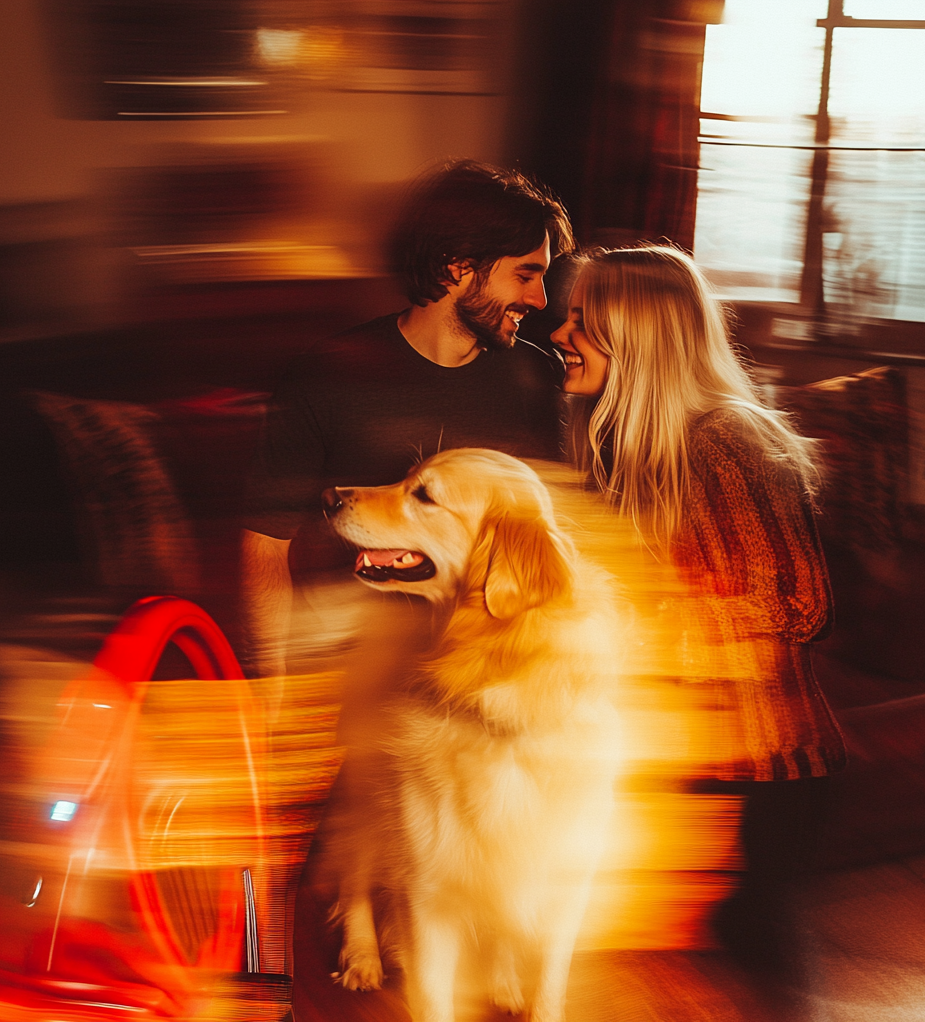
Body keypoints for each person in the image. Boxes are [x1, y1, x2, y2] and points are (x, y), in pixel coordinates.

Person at [550, 244, 845, 1006]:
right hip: (688, 752)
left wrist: (629, 623)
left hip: (765, 771)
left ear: (637, 334)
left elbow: (796, 604)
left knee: (754, 970)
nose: (560, 333)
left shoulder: (726, 438)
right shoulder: (634, 448)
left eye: (582, 320)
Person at [241, 159, 573, 681]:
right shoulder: (326, 374)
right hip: (349, 663)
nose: (539, 299)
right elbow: (264, 546)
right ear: (458, 266)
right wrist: (272, 689)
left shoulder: (535, 376)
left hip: (476, 674)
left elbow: (549, 542)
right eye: (525, 275)